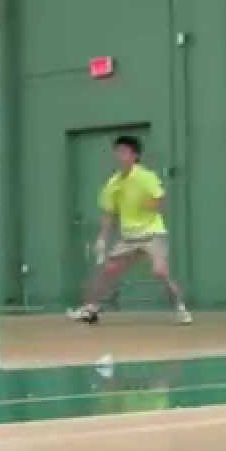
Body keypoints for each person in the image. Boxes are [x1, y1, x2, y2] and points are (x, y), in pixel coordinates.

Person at [67, 135, 190, 326]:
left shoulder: (146, 177)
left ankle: (180, 308)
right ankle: (91, 310)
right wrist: (102, 239)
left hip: (152, 234)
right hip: (129, 238)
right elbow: (109, 213)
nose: (119, 155)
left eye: (124, 151)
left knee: (160, 271)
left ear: (135, 156)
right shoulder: (113, 183)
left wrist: (150, 205)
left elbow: (160, 200)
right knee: (108, 270)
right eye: (117, 151)